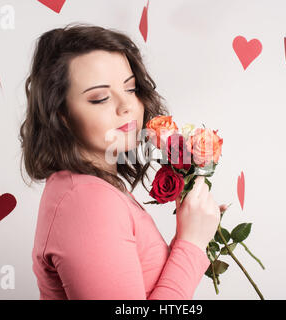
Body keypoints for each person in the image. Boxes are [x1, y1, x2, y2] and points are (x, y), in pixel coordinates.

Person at [19, 22, 226, 300]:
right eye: (100, 98)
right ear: (62, 115)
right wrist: (192, 244)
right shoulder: (87, 201)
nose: (126, 106)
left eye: (130, 89)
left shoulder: (90, 187)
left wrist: (192, 232)